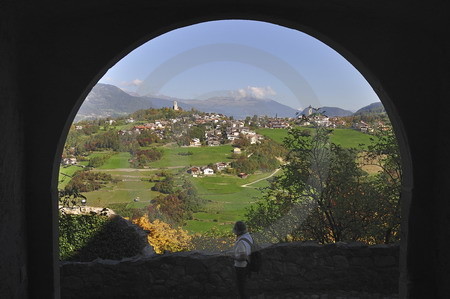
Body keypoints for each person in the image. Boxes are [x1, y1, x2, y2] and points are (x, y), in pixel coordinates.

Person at [233, 220, 253, 299]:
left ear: (237, 230)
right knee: (244, 287)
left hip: (241, 267)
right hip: (247, 265)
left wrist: (233, 257)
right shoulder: (248, 236)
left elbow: (243, 257)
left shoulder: (241, 241)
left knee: (241, 289)